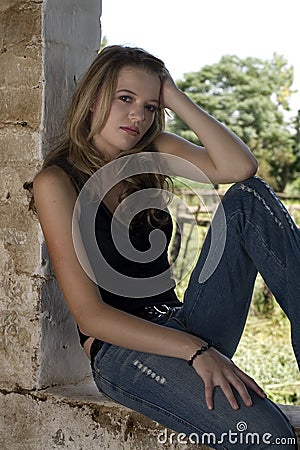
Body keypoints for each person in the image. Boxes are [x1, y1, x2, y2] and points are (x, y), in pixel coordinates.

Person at [27, 45, 299, 449]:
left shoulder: (151, 152)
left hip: (183, 321)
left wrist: (173, 94)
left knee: (250, 198)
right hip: (125, 352)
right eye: (125, 99)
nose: (138, 116)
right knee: (271, 438)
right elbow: (91, 315)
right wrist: (197, 351)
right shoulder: (57, 182)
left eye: (151, 106)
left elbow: (240, 169)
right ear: (93, 98)